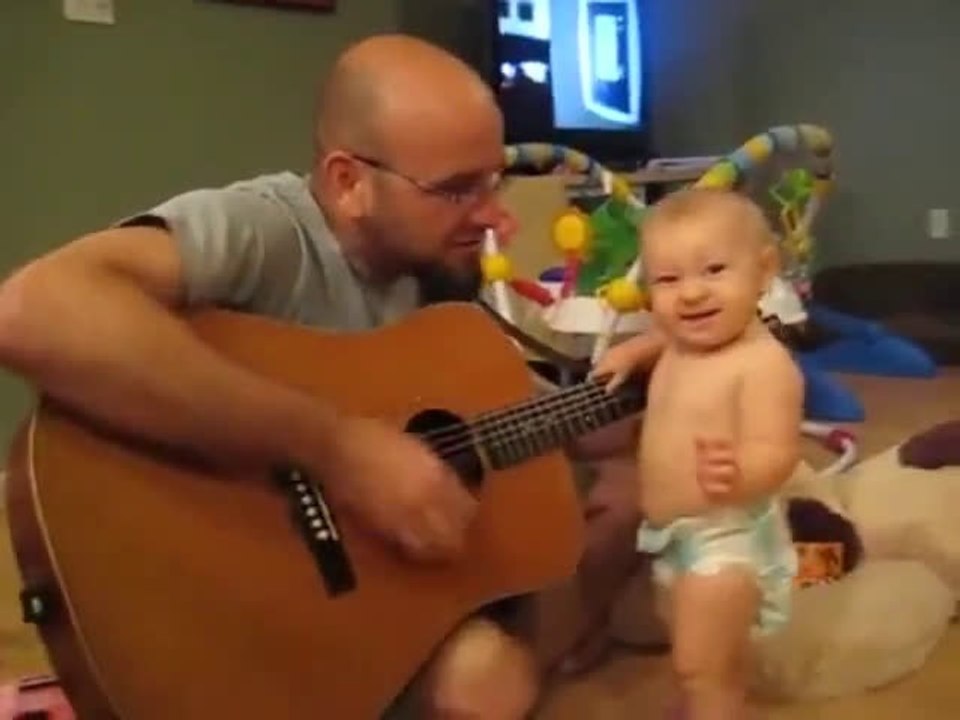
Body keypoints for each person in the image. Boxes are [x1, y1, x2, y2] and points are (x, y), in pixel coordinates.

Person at [0, 34, 658, 719]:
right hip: (227, 587)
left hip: (367, 605)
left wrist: (677, 365)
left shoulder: (437, 287)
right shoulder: (269, 229)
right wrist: (338, 449)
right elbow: (31, 311)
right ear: (349, 183)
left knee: (601, 525)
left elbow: (572, 425)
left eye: (493, 181)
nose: (495, 215)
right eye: (458, 189)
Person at [593, 188, 803, 719]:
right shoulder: (684, 341)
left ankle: (712, 704)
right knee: (693, 653)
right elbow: (665, 338)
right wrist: (635, 349)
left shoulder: (763, 365)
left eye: (713, 270)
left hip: (725, 536)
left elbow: (777, 452)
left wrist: (740, 472)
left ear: (764, 270)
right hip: (673, 535)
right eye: (668, 279)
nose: (690, 294)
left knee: (704, 667)